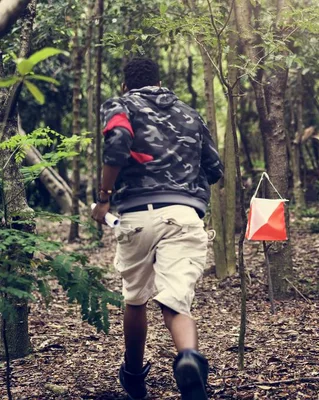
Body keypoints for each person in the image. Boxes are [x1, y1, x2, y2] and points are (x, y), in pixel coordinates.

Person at [92, 58, 223, 400]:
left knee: (136, 299)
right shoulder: (190, 114)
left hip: (136, 215)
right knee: (175, 299)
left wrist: (103, 198)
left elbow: (118, 141)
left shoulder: (120, 104)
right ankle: (189, 358)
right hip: (184, 215)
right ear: (160, 81)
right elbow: (214, 168)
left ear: (125, 85)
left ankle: (134, 374)